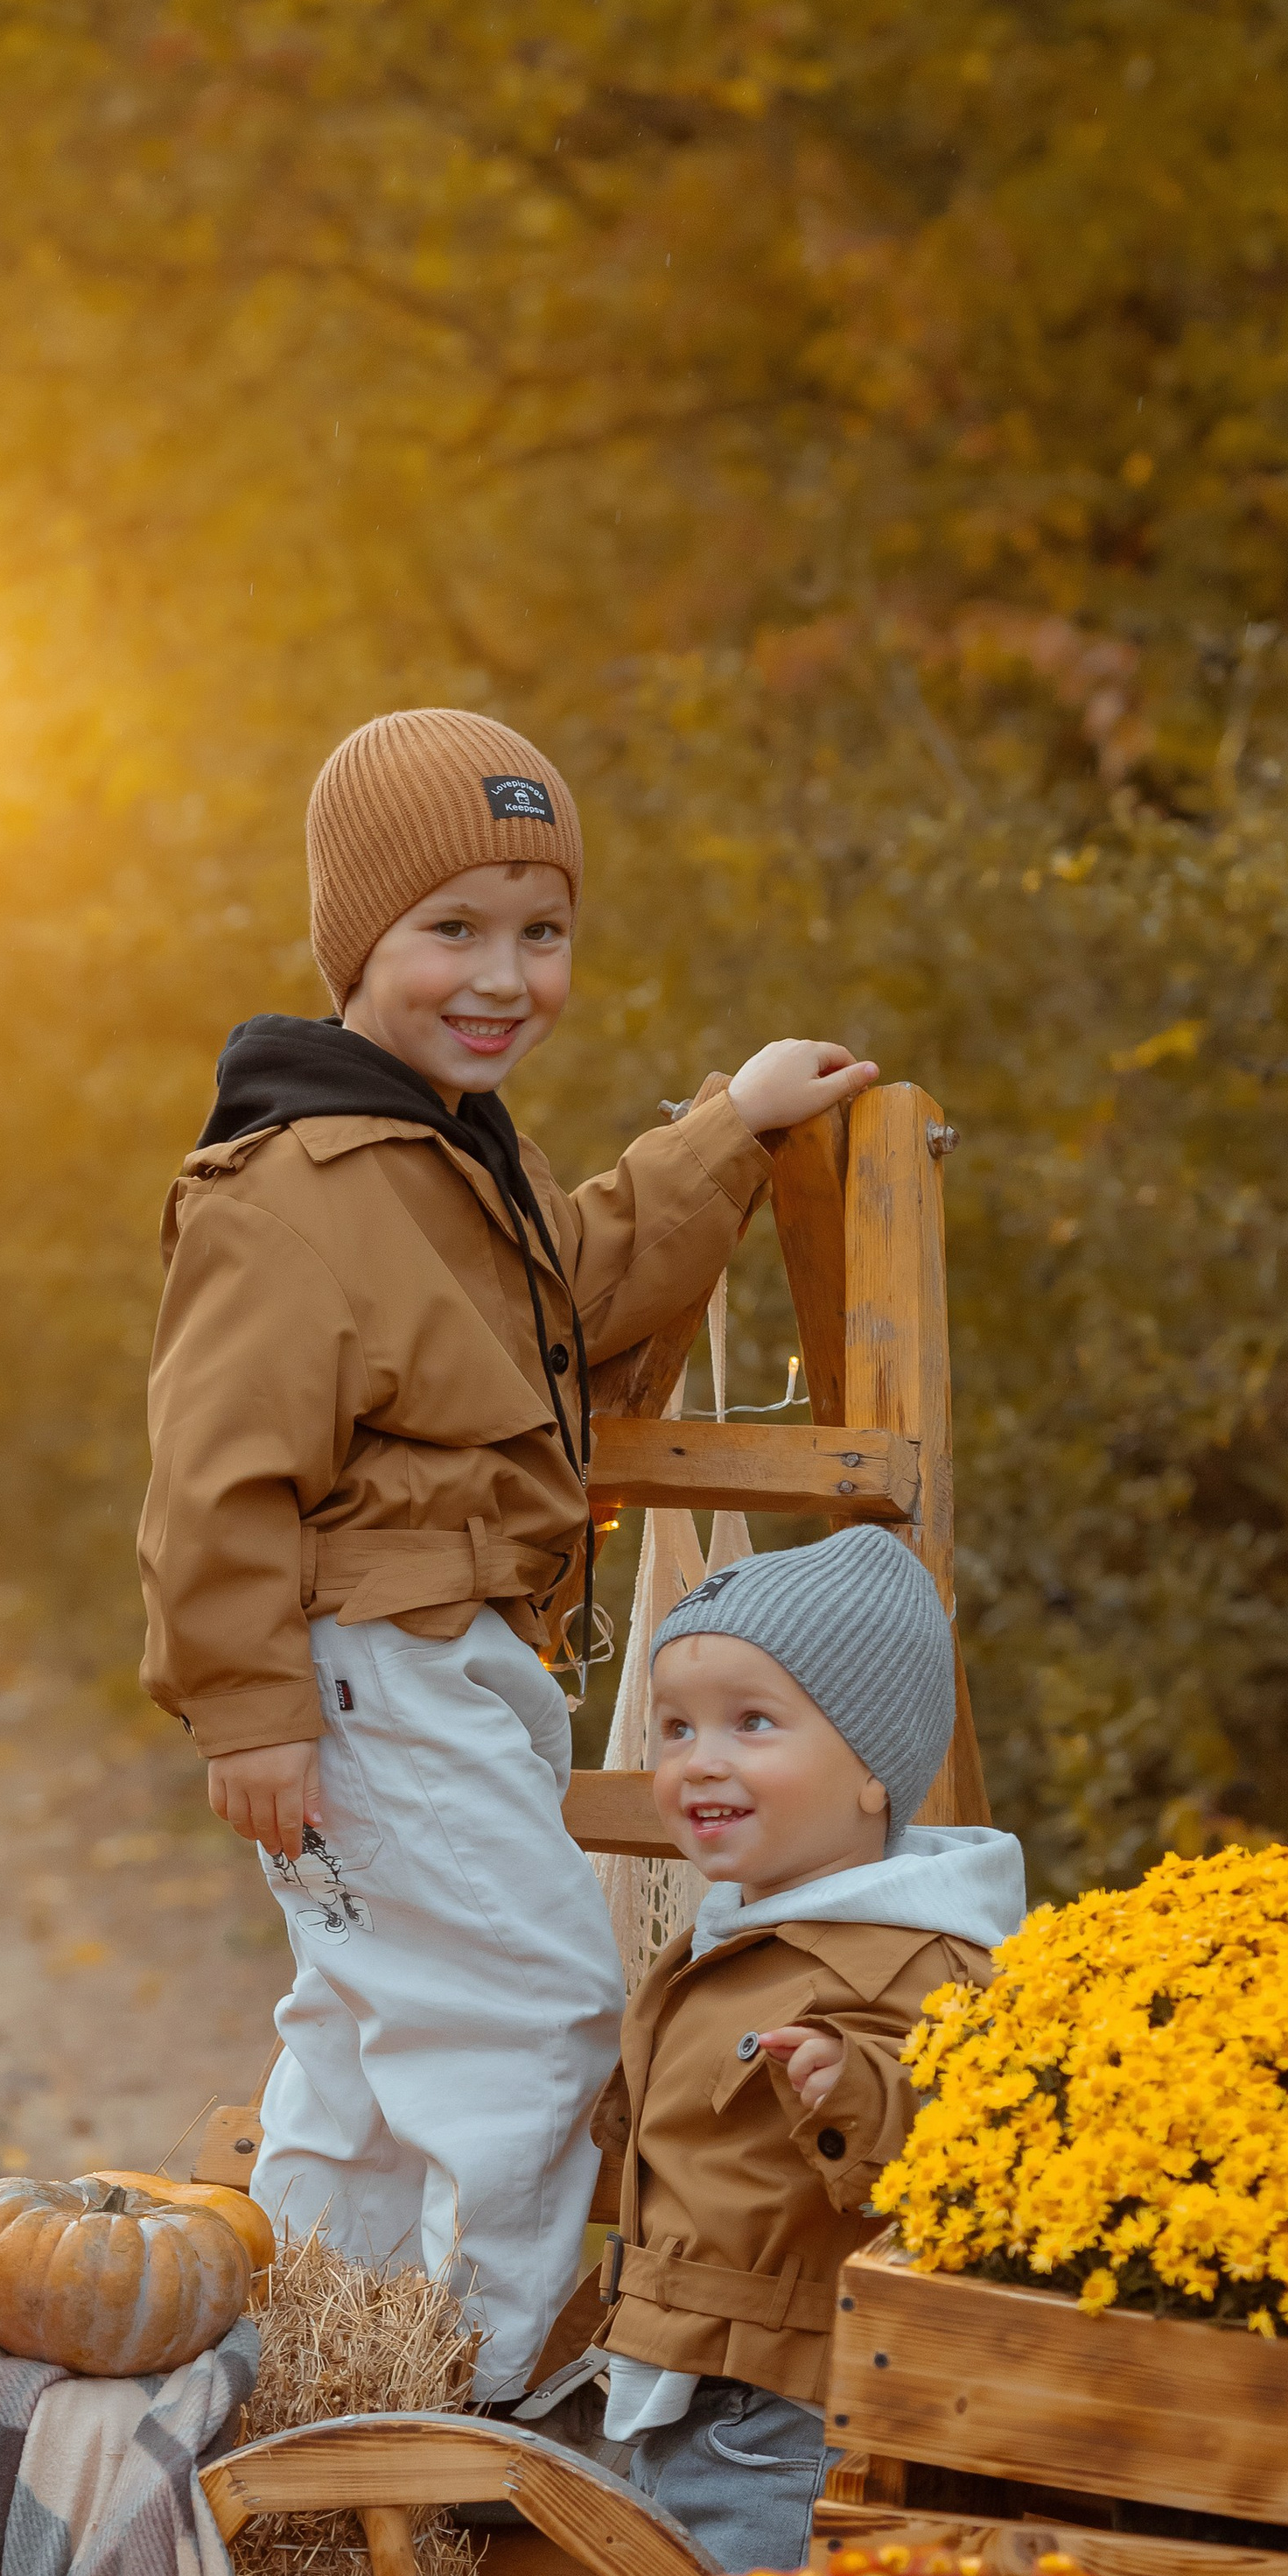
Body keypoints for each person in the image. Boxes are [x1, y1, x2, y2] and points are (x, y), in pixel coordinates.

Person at [137, 704, 878, 2402]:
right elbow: (215, 1471)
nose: (503, 976)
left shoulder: (454, 1158)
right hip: (368, 1673)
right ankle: (473, 2381)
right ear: (354, 943)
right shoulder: (291, 1187)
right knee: (537, 2002)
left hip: (445, 1661)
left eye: (542, 933)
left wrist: (734, 1127)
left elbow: (588, 1278)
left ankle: (309, 2365)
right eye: (452, 929)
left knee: (369, 2033)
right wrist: (246, 1707)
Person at [589, 1524, 1026, 2569]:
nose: (700, 1759)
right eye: (676, 1728)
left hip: (784, 2414)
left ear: (873, 1770)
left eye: (751, 1723)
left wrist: (860, 2087)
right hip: (689, 2376)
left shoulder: (916, 1950)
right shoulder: (746, 1931)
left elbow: (967, 2112)